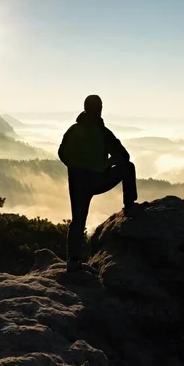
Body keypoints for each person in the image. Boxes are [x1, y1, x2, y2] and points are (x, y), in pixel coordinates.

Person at [58, 94, 138, 272]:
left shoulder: (73, 130)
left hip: (77, 181)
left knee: (78, 221)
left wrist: (76, 166)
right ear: (100, 109)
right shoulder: (103, 133)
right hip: (98, 179)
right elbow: (124, 157)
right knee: (128, 168)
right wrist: (106, 163)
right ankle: (130, 205)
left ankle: (73, 260)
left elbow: (62, 153)